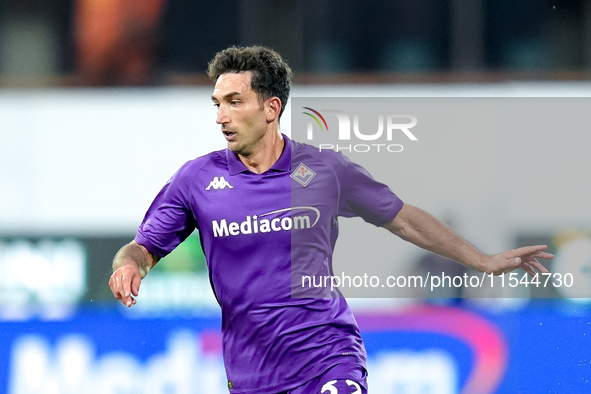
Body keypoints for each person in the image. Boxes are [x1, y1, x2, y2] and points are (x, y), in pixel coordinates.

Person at [109, 45, 553, 394]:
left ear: (271, 108)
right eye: (216, 103)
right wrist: (129, 265)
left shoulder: (323, 171)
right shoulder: (195, 179)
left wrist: (483, 261)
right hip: (251, 372)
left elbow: (403, 218)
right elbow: (143, 246)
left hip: (329, 354)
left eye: (234, 101)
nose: (221, 116)